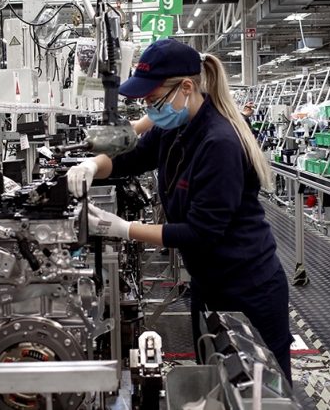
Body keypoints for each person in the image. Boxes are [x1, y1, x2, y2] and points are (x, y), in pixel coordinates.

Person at [67, 38, 293, 382]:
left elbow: (201, 232)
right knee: (215, 381)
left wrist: (122, 228)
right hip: (208, 282)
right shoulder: (174, 128)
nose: (150, 109)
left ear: (186, 87)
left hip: (248, 288)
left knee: (260, 393)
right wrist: (92, 166)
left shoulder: (219, 142)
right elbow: (132, 158)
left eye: (153, 100)